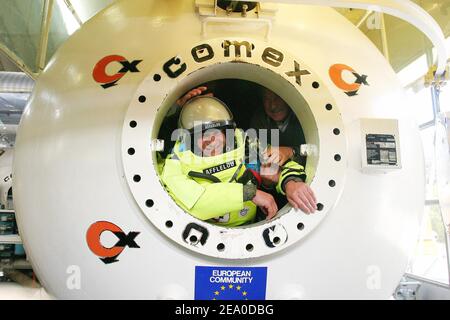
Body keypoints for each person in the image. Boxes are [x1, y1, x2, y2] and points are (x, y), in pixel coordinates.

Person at [160, 96, 311, 227]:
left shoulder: (246, 145)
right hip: (203, 230)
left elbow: (280, 163)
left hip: (251, 226)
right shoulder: (176, 161)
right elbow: (194, 202)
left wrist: (291, 182)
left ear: (227, 132)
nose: (211, 140)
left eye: (216, 132)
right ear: (189, 138)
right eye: (201, 134)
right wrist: (250, 193)